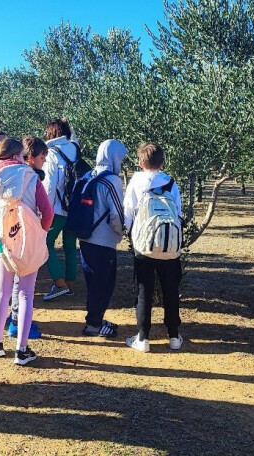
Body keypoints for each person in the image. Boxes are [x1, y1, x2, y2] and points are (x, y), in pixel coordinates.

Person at [0, 138, 54, 365]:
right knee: (26, 294)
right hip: (28, 242)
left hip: (3, 243)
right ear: (17, 156)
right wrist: (40, 234)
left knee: (2, 292)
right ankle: (22, 349)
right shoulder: (31, 177)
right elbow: (48, 213)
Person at [123, 143, 183, 352]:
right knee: (171, 290)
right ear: (162, 162)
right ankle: (174, 336)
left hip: (144, 246)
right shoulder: (171, 183)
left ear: (140, 163)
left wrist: (131, 236)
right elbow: (179, 213)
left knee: (144, 291)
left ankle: (143, 338)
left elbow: (128, 213)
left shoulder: (136, 181)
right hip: (170, 246)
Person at [80, 140, 127, 338]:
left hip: (86, 238)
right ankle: (94, 325)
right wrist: (121, 232)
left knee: (93, 283)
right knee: (104, 285)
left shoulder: (91, 174)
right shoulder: (112, 180)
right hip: (103, 240)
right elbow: (117, 214)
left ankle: (95, 320)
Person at [41, 119, 79, 300]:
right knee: (70, 246)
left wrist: (44, 210)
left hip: (57, 208)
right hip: (75, 206)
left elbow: (49, 185)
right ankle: (70, 284)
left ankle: (59, 283)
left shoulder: (51, 153)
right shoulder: (75, 149)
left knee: (45, 243)